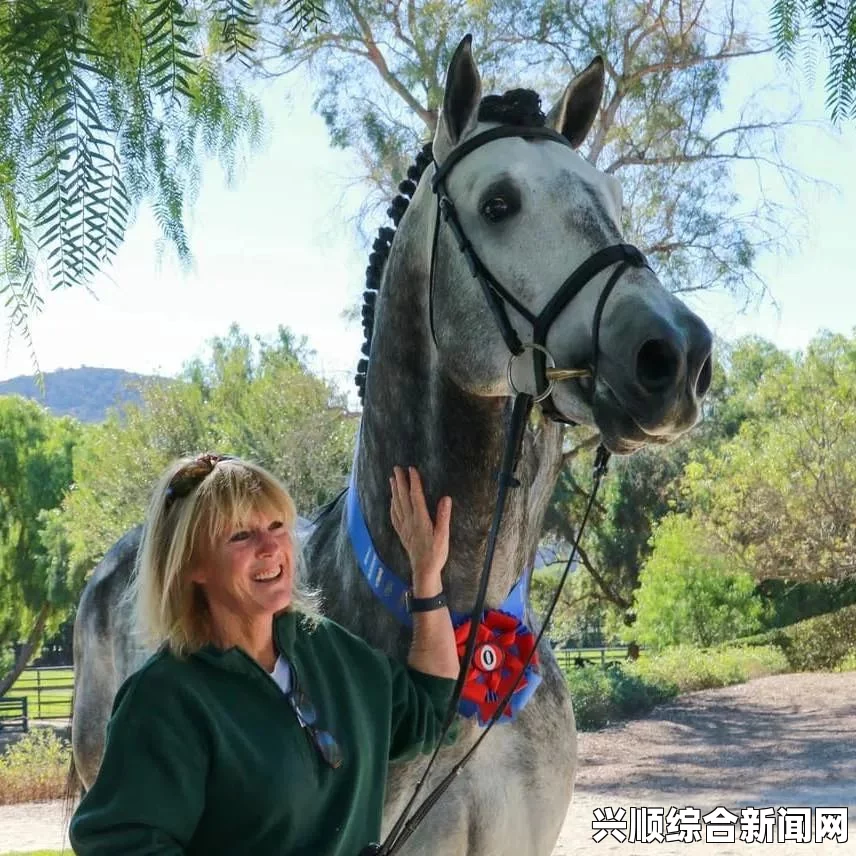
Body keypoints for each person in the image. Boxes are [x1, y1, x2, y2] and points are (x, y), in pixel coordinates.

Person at [70, 453, 460, 855]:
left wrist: (427, 578)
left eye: (277, 526)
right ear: (192, 565)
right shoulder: (165, 699)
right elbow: (118, 844)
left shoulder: (330, 651)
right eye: (241, 535)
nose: (271, 546)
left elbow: (430, 710)